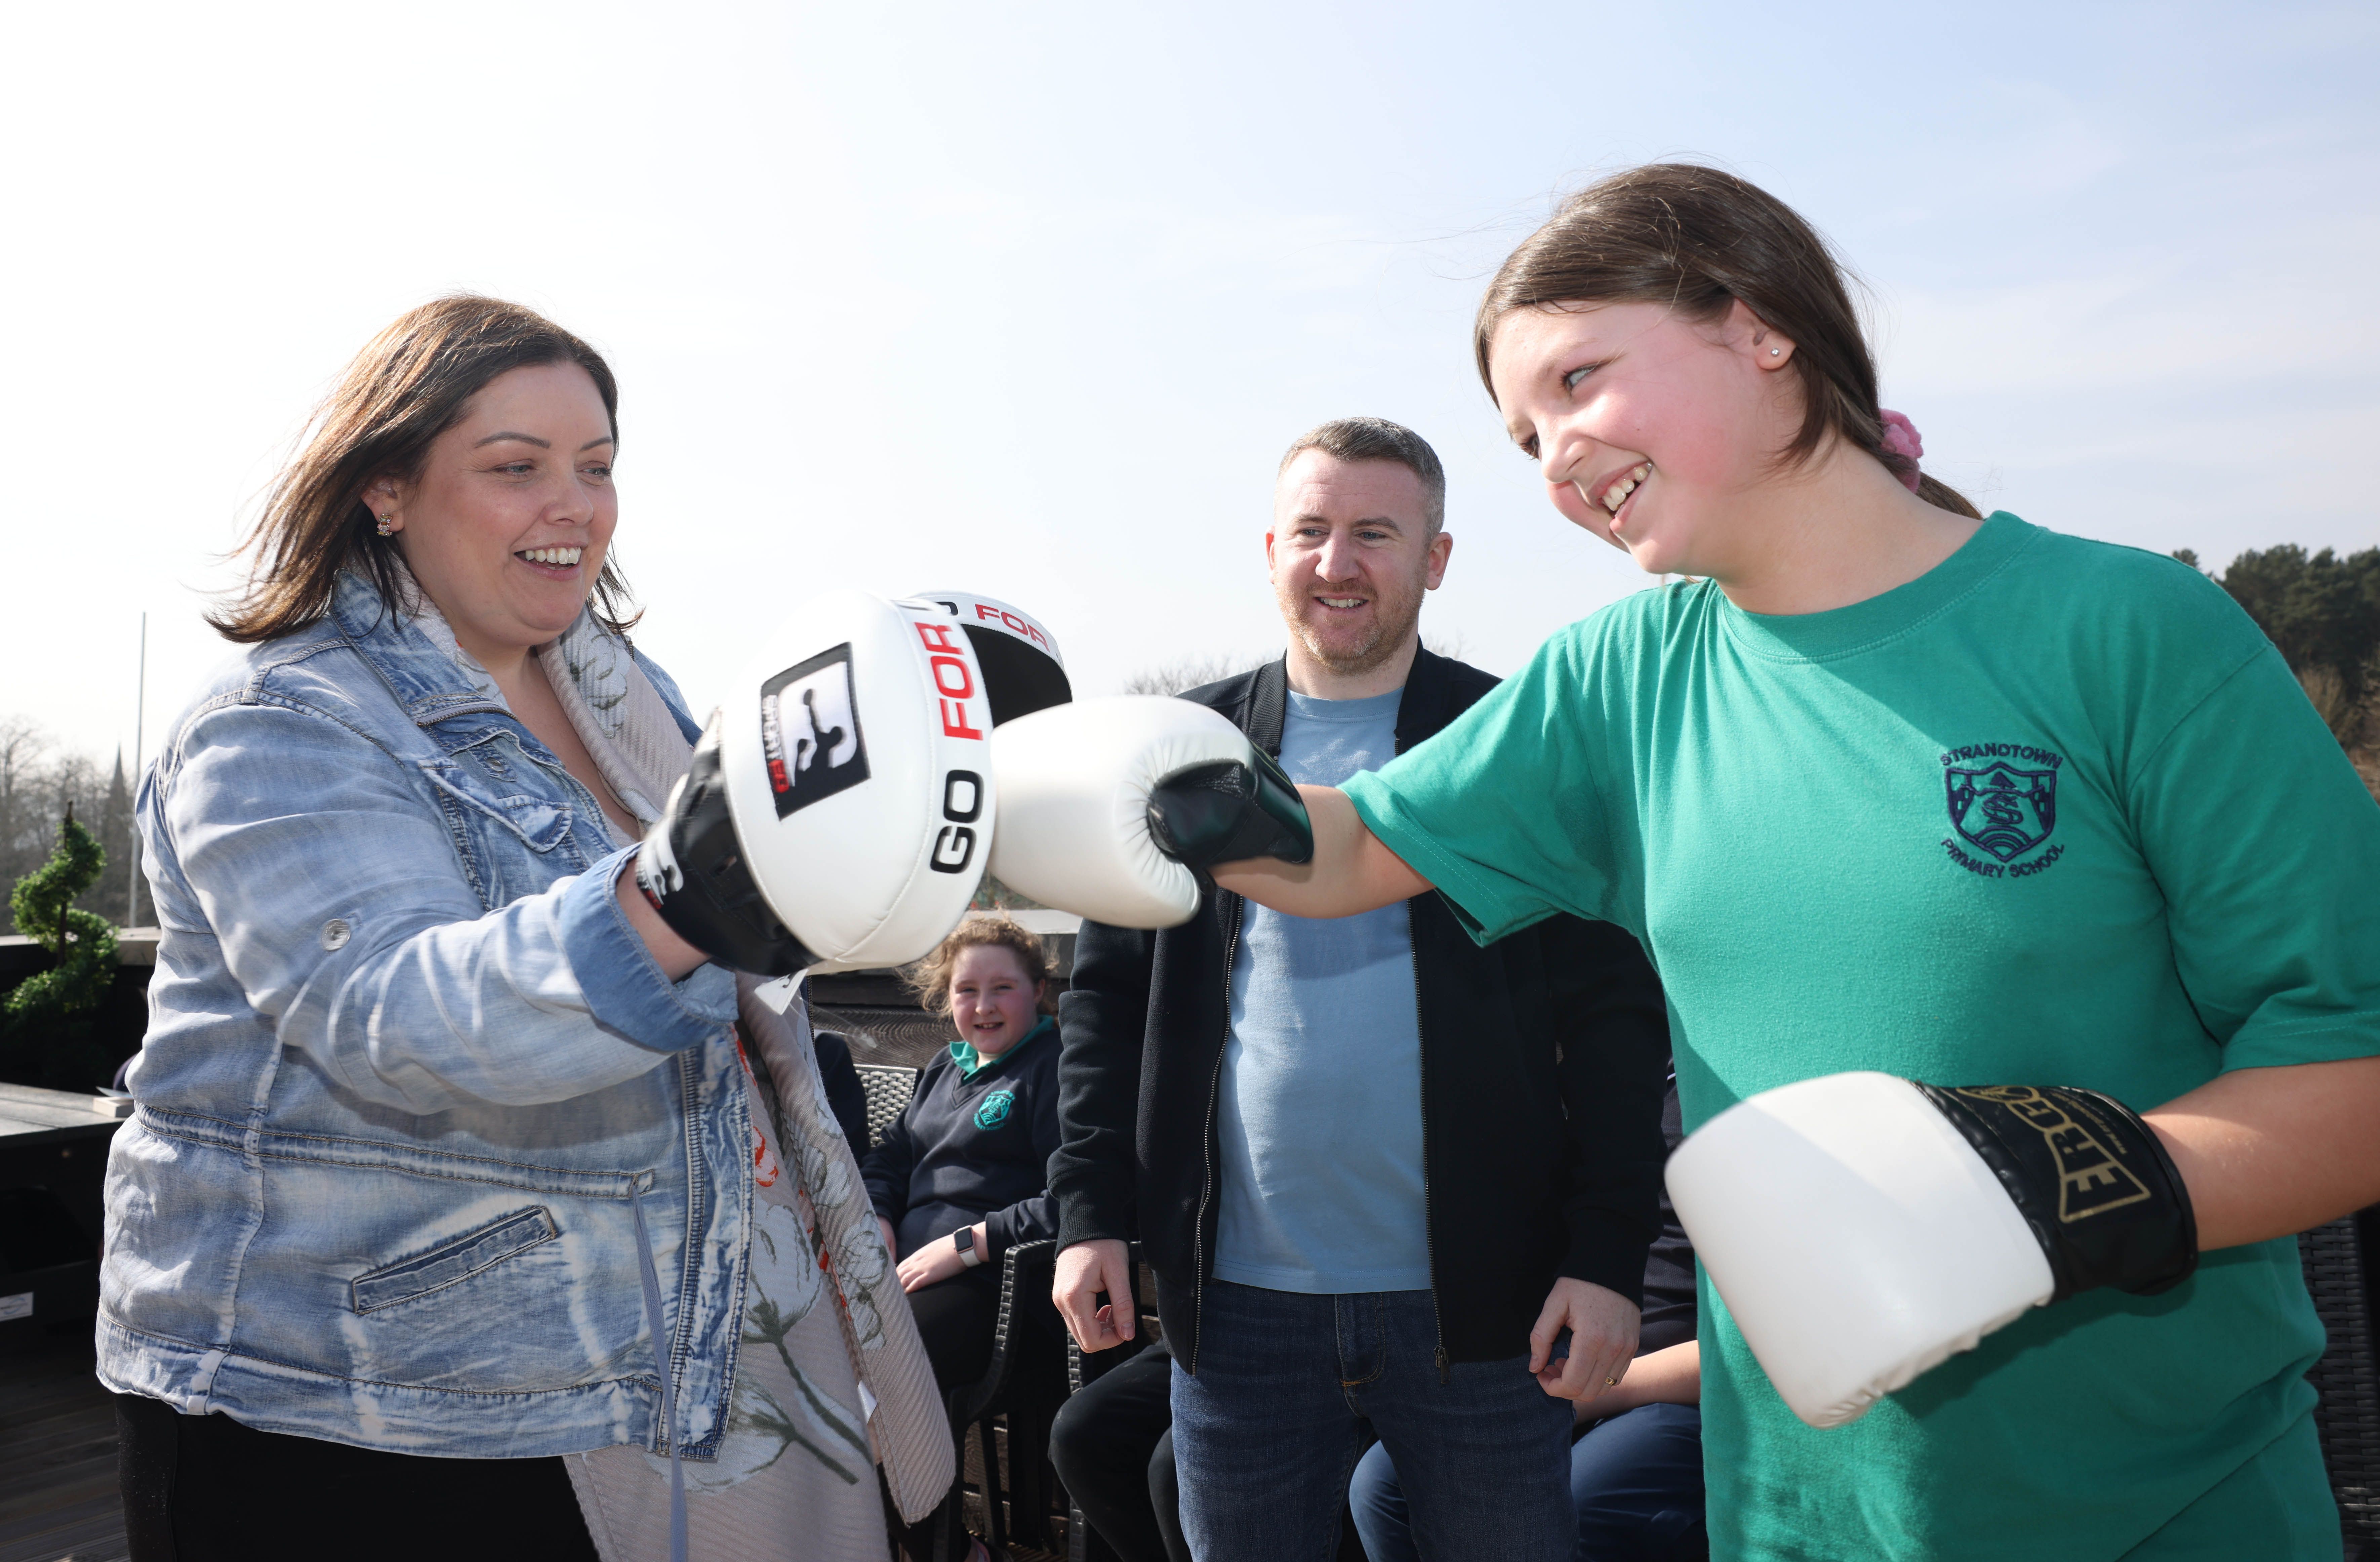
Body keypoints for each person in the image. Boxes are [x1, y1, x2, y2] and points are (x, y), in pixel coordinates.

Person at [1065, 165, 2380, 1559]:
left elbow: (2350, 1059)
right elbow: (1342, 850)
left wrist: (2058, 1182)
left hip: (2163, 1509)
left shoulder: (2129, 630)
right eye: (1524, 435)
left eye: (1578, 380)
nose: (1556, 454)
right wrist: (1155, 796)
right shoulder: (1623, 678)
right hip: (1791, 1514)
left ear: (1757, 323)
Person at [102, 296, 951, 1561]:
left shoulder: (632, 696)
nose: (578, 504)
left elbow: (773, 946)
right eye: (517, 468)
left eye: (598, 465)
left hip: (645, 1364)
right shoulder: (274, 724)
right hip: (352, 1419)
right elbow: (396, 1015)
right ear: (386, 484)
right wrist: (678, 895)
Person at [1049, 417, 1673, 1562]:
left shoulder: (1514, 741)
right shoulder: (1178, 752)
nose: (1338, 563)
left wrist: (1604, 1254)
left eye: (1375, 534)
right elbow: (1104, 1006)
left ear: (1435, 558)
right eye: (1314, 530)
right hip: (1233, 1312)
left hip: (1485, 1313)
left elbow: (1617, 1024)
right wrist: (1089, 1214)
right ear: (1272, 546)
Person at [1349, 1080, 1705, 1562]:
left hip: (1680, 1393)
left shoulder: (1728, 1099)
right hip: (1563, 1370)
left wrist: (1592, 1390)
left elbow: (1759, 1352)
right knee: (1383, 1483)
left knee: (1571, 1506)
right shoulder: (1595, 1083)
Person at [864, 915, 1066, 1562]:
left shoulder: (1053, 1066)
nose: (983, 1006)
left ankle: (947, 1555)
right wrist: (876, 1217)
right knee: (822, 1370)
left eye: (1002, 988)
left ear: (1038, 990)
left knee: (885, 1375)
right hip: (909, 1285)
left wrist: (963, 1247)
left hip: (999, 1294)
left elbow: (1073, 1202)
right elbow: (890, 1160)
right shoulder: (940, 1072)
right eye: (965, 990)